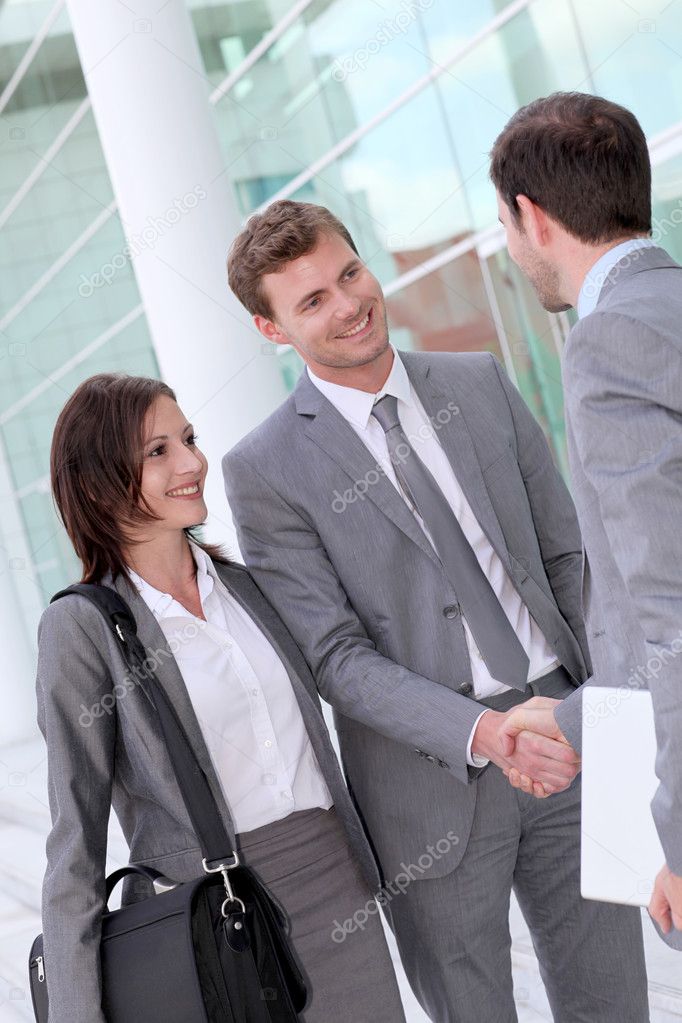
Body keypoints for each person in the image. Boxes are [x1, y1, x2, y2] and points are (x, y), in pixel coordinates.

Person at [221, 199, 649, 1022]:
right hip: (427, 789)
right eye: (311, 300)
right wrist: (484, 731)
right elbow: (334, 657)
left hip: (571, 732)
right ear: (271, 328)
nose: (348, 304)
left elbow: (569, 557)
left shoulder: (477, 381)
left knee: (615, 1003)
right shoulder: (265, 469)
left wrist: (602, 710)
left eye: (349, 273)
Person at [37, 372, 405, 1023]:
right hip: (216, 921)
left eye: (189, 438)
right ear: (98, 479)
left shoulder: (248, 587)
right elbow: (76, 839)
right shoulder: (85, 625)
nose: (192, 462)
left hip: (335, 881)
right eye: (158, 451)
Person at [491, 90, 682, 942]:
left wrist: (675, 839)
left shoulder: (608, 346)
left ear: (532, 216)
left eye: (501, 223)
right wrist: (572, 717)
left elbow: (669, 617)